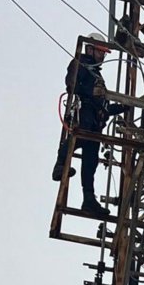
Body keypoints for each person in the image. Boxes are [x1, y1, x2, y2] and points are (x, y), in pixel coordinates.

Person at [52, 34, 127, 216]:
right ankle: (59, 165)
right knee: (77, 138)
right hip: (83, 114)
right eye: (100, 51)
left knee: (91, 161)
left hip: (96, 121)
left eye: (104, 52)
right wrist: (90, 92)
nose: (102, 56)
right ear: (90, 49)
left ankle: (89, 199)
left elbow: (104, 106)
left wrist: (122, 107)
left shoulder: (96, 74)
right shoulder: (81, 64)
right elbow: (72, 85)